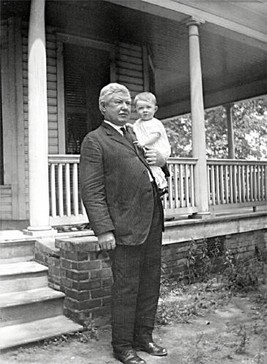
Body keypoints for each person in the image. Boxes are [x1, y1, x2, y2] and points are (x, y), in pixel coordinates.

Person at [80, 83, 168, 364]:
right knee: (127, 287)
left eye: (127, 102)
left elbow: (152, 170)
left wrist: (164, 162)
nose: (124, 107)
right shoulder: (95, 140)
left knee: (150, 283)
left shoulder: (135, 134)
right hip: (123, 227)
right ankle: (122, 346)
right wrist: (103, 229)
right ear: (103, 107)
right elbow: (91, 190)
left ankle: (144, 337)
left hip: (152, 220)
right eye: (117, 102)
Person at [133, 92, 171, 195]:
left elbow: (156, 136)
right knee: (147, 167)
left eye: (148, 107)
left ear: (155, 109)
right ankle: (153, 184)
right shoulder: (137, 124)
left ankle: (161, 185)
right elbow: (134, 132)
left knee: (155, 166)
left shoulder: (155, 123)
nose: (145, 110)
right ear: (136, 110)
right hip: (146, 149)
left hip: (157, 149)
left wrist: (143, 143)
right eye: (141, 108)